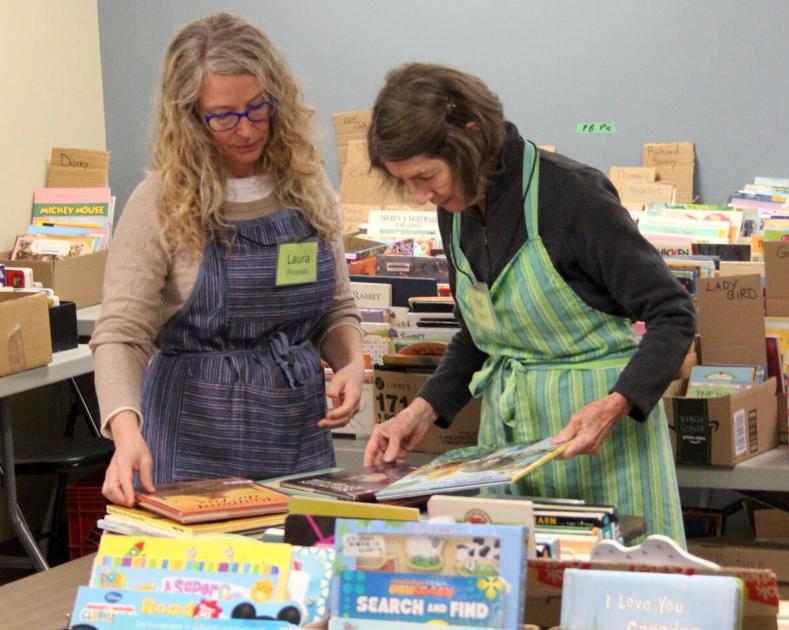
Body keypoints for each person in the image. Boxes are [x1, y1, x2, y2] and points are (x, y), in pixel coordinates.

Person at [362, 63, 695, 544]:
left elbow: (673, 313)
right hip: (510, 449)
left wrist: (615, 405)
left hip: (602, 444)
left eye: (426, 176)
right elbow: (481, 336)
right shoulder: (454, 211)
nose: (419, 196)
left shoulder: (572, 196)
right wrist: (422, 409)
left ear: (472, 136)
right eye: (406, 182)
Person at [91, 13, 363, 507]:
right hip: (194, 439)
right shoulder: (161, 201)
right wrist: (126, 435)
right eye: (223, 116)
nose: (245, 129)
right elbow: (120, 335)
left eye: (257, 109)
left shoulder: (308, 186)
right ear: (189, 116)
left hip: (296, 437)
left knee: (297, 571)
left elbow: (335, 310)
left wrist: (352, 362)